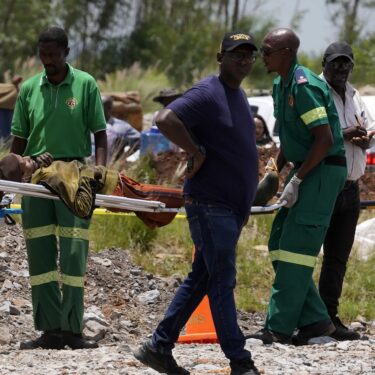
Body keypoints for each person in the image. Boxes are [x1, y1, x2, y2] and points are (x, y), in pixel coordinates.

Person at [133, 31, 260, 375]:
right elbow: (164, 119)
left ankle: (158, 347)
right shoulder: (208, 92)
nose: (244, 60)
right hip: (210, 203)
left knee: (202, 279)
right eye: (236, 55)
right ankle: (240, 360)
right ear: (221, 58)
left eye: (249, 55)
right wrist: (195, 149)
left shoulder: (238, 94)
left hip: (230, 208)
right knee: (222, 281)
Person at [10, 26, 108, 350]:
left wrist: (99, 172)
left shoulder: (85, 84)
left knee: (74, 252)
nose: (47, 61)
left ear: (67, 51)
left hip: (75, 174)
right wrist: (13, 174)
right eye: (43, 55)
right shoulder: (28, 89)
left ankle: (72, 330)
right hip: (36, 176)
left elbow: (100, 134)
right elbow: (20, 141)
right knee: (39, 252)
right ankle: (50, 330)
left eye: (53, 55)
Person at [249, 28, 347, 346]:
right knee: (279, 242)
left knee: (295, 249)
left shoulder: (304, 85)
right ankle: (316, 322)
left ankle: (278, 327)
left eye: (267, 50)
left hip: (321, 170)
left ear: (287, 53)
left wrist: (299, 179)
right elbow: (293, 137)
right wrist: (276, 168)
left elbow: (324, 139)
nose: (261, 56)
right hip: (305, 168)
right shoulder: (281, 84)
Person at [319, 42, 375, 340]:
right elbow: (312, 137)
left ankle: (329, 318)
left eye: (346, 64)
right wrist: (344, 135)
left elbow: (368, 128)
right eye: (336, 63)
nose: (341, 69)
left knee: (338, 257)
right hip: (324, 186)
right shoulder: (314, 91)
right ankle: (304, 319)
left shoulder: (354, 95)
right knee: (303, 256)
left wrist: (365, 138)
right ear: (324, 63)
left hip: (350, 188)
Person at [0, 153, 184, 229]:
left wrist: (40, 160)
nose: (27, 157)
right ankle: (198, 198)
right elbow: (82, 208)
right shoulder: (50, 179)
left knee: (159, 204)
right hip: (114, 188)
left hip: (113, 182)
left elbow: (63, 173)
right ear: (24, 176)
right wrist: (88, 177)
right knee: (173, 197)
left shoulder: (40, 172)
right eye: (25, 162)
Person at [102, 95, 140, 160]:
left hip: (109, 166)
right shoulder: (85, 125)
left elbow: (140, 141)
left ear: (109, 108)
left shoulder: (121, 127)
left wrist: (123, 158)